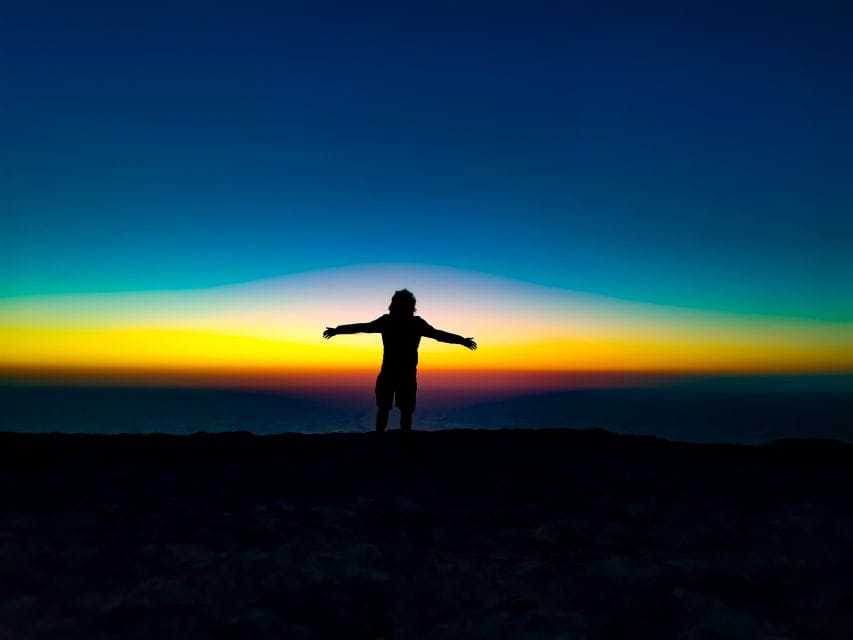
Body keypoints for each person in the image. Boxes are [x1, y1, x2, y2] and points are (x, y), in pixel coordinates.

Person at [323, 289, 476, 440]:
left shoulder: (389, 322)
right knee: (403, 410)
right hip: (405, 374)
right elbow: (439, 335)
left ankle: (381, 440)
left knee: (387, 409)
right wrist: (461, 340)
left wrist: (338, 330)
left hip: (390, 373)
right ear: (412, 306)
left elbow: (361, 327)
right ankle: (402, 441)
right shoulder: (414, 323)